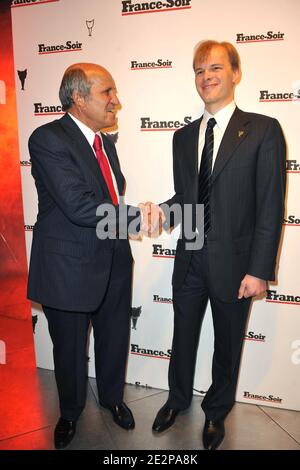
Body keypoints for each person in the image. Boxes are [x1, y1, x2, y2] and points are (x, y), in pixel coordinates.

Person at [151, 40, 286, 450]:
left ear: (235, 73)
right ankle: (176, 399)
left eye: (214, 68)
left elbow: (270, 205)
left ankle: (215, 412)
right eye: (198, 70)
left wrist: (260, 269)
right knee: (183, 336)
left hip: (237, 264)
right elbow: (187, 198)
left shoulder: (263, 129)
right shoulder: (182, 137)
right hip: (190, 259)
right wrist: (160, 211)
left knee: (227, 344)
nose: (206, 77)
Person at [27, 63, 152, 449]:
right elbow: (80, 207)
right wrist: (138, 217)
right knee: (68, 350)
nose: (116, 100)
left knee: (115, 339)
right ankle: (69, 413)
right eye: (107, 92)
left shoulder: (105, 143)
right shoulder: (48, 139)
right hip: (69, 267)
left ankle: (113, 399)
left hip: (114, 260)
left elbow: (108, 197)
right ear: (79, 98)